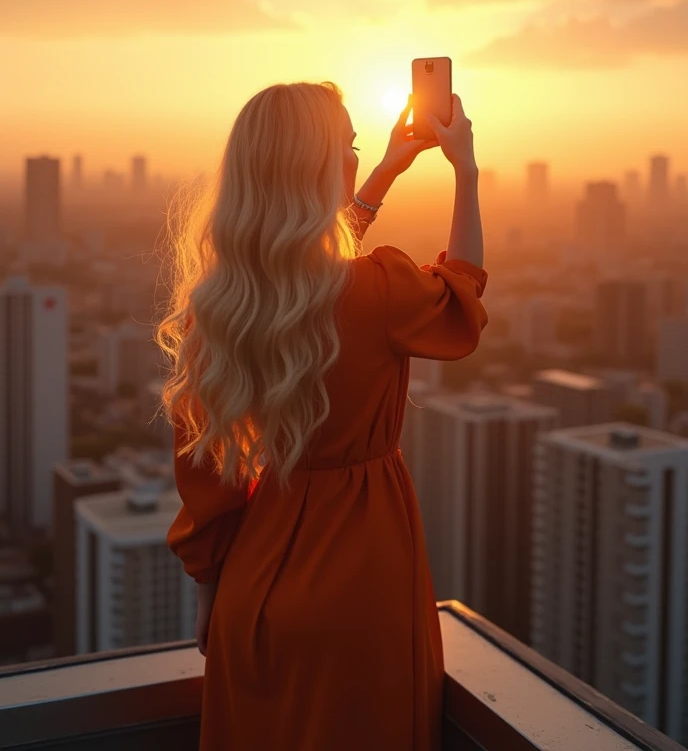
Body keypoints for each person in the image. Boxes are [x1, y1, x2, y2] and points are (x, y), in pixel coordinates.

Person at [153, 81, 488, 751]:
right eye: (351, 151)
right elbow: (462, 299)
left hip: (253, 589)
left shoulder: (222, 305)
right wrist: (466, 171)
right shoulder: (380, 291)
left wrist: (209, 591)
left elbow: (203, 470)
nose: (359, 162)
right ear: (319, 169)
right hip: (361, 583)